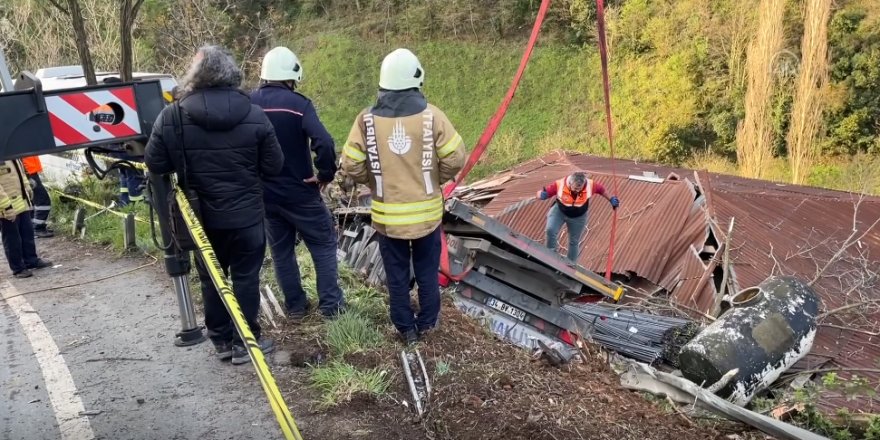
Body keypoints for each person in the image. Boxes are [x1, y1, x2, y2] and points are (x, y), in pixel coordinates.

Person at [145, 45, 284, 365]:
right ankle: (245, 342)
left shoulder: (173, 115)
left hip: (200, 218)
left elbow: (155, 163)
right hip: (247, 216)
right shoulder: (254, 113)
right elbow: (275, 165)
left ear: (195, 77)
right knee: (246, 277)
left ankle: (220, 339)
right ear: (231, 74)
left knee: (210, 277)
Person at [342, 48, 466, 344]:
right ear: (416, 80)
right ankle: (427, 325)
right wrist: (435, 178)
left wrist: (374, 179)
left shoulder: (366, 120)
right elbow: (456, 157)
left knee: (396, 278)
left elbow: (350, 162)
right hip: (426, 217)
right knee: (426, 274)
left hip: (388, 218)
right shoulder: (432, 116)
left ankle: (405, 330)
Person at [251, 46, 345, 320]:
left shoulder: (248, 102)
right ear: (292, 76)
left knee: (281, 252)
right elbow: (324, 142)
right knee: (324, 245)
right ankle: (331, 307)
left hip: (265, 195)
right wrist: (325, 174)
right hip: (301, 193)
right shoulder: (299, 104)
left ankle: (295, 307)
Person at [536, 171, 619, 262]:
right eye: (575, 188)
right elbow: (541, 193)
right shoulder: (560, 184)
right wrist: (541, 195)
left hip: (578, 216)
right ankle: (550, 254)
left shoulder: (590, 185)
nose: (577, 191)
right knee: (550, 230)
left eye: (580, 188)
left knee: (574, 241)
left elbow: (602, 190)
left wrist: (611, 199)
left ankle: (571, 263)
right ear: (570, 183)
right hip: (560, 211)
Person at [0, 159, 53, 278]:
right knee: (12, 239)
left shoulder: (10, 153)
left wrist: (27, 186)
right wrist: (5, 207)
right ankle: (18, 268)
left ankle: (31, 260)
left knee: (27, 232)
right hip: (6, 206)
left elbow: (21, 172)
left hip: (21, 202)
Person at [21, 156, 54, 237]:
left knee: (33, 201)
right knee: (43, 201)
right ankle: (38, 228)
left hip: (28, 171)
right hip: (27, 172)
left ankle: (32, 227)